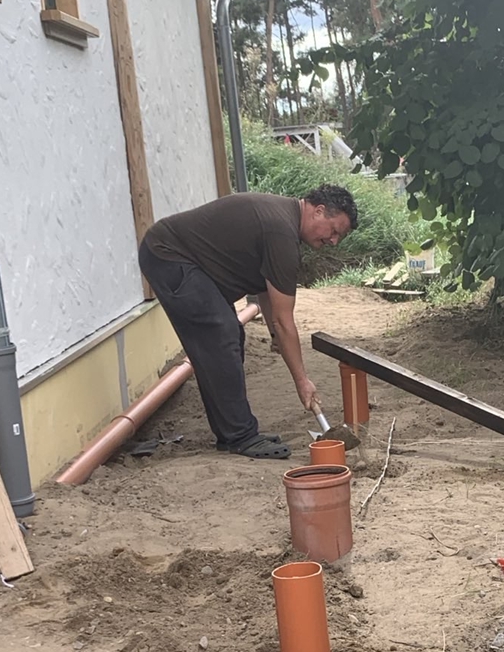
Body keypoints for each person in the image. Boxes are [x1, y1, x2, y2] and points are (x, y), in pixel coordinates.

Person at [138, 185, 357, 459]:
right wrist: (302, 381)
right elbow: (284, 320)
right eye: (334, 231)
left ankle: (230, 433)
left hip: (182, 259)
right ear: (319, 210)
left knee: (227, 338)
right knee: (221, 335)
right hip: (168, 256)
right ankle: (240, 437)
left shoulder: (284, 223)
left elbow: (267, 291)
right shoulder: (281, 233)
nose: (334, 241)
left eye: (339, 237)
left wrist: (275, 335)